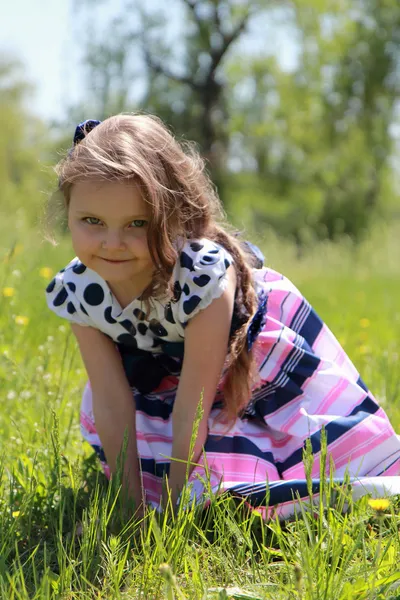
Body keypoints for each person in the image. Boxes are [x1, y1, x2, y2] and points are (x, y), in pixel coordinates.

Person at [45, 115, 400, 518]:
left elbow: (193, 404)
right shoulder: (78, 289)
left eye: (137, 224)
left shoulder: (200, 277)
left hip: (245, 375)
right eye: (91, 222)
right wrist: (130, 508)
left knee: (275, 486)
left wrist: (175, 510)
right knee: (155, 490)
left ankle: (235, 478)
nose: (112, 243)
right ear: (68, 210)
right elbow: (111, 401)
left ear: (173, 215)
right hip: (165, 385)